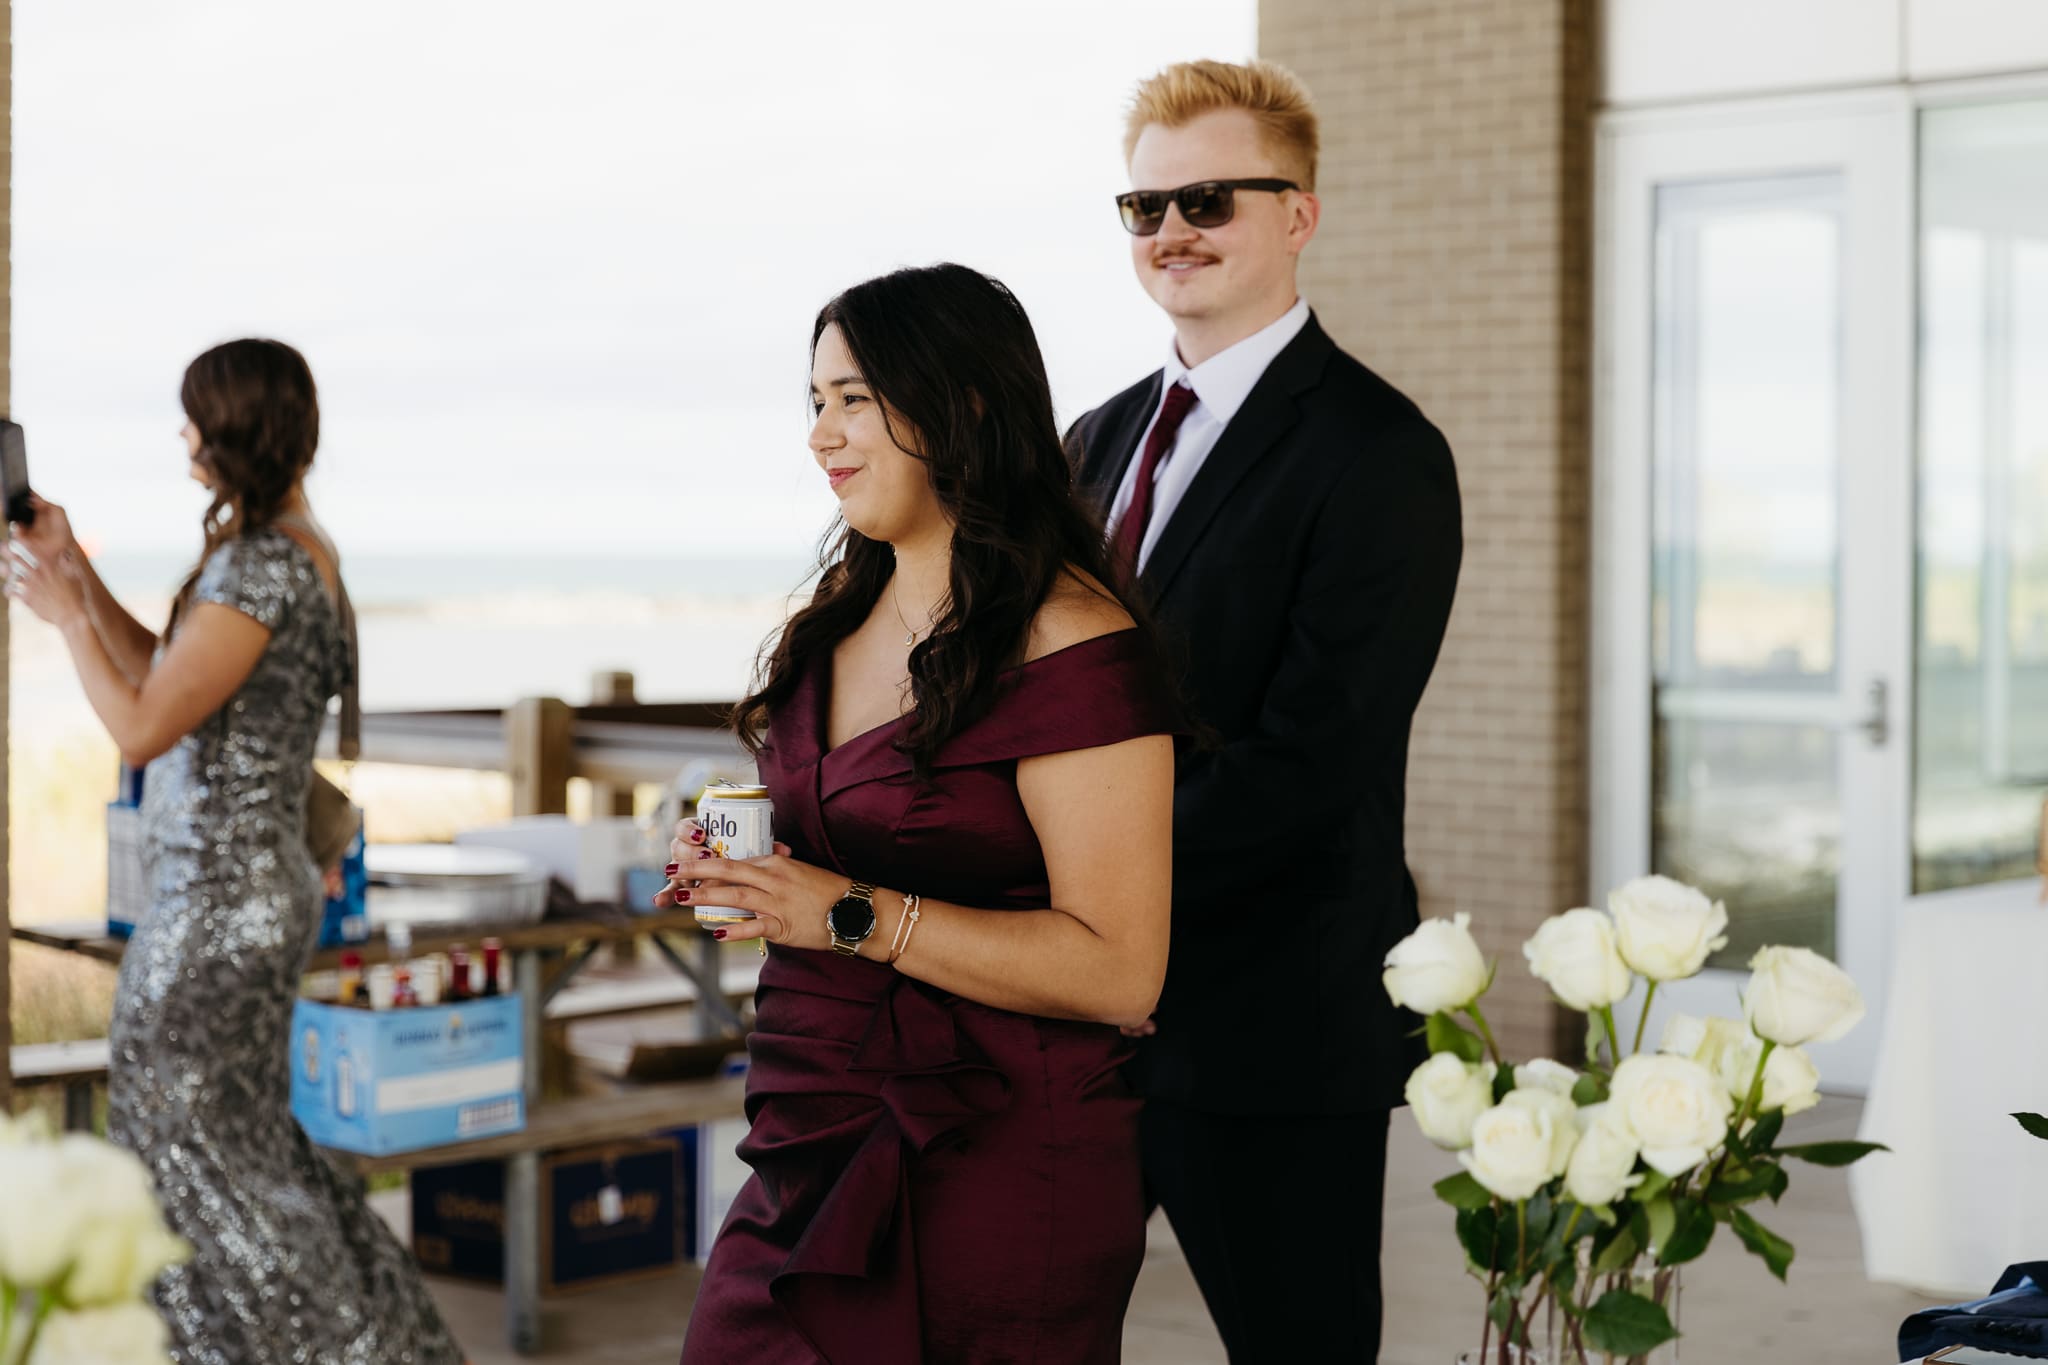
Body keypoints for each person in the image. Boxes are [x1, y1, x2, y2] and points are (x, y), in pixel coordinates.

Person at [668, 263, 1182, 1365]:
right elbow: (834, 845)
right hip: (809, 1127)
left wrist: (841, 914)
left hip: (995, 1154)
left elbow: (1120, 969)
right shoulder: (834, 621)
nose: (822, 435)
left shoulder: (1071, 645)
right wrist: (751, 870)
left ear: (966, 405)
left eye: (855, 399)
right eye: (815, 402)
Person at [1063, 60, 1463, 1361]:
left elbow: (1316, 757)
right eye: (1144, 206)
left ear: (1301, 213)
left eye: (1212, 199)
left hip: (1273, 1022)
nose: (1172, 229)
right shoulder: (1092, 441)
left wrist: (1099, 901)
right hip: (1075, 1020)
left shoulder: (1379, 451)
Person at [6, 339, 464, 1364]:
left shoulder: (262, 563)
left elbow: (140, 727)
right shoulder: (282, 549)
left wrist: (63, 617)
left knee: (185, 1146)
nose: (181, 440)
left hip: (220, 904)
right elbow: (172, 679)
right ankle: (351, 1341)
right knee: (235, 1146)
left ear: (230, 432)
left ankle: (330, 1344)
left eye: (192, 421)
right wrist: (73, 571)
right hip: (229, 895)